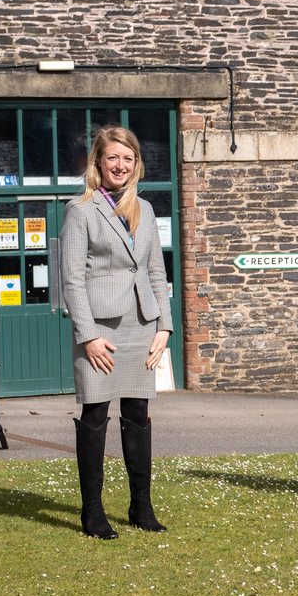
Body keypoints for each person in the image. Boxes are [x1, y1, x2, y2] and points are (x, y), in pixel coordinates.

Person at [60, 125, 173, 539]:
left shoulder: (145, 208)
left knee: (137, 416)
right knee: (94, 414)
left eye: (128, 158)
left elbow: (156, 271)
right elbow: (71, 279)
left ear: (136, 163)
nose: (120, 165)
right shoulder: (81, 209)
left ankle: (141, 506)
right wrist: (87, 335)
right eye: (113, 158)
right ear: (98, 162)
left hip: (141, 325)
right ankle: (93, 513)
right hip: (100, 329)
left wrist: (165, 324)